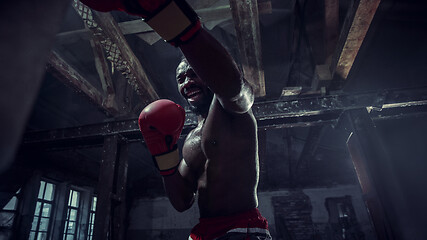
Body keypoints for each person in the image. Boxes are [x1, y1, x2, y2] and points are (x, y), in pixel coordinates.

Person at [81, 0, 272, 239]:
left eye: (194, 74)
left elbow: (233, 87)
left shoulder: (234, 110)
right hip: (204, 232)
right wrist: (162, 153)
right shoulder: (191, 138)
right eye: (181, 79)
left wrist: (171, 19)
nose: (187, 82)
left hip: (240, 229)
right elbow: (181, 200)